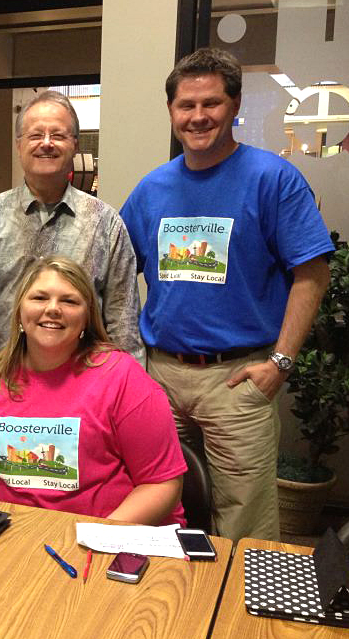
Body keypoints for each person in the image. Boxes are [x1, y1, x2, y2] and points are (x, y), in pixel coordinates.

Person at [119, 48, 333, 541]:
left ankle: (236, 595)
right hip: (160, 377)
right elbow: (116, 275)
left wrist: (280, 363)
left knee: (244, 525)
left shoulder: (273, 179)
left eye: (211, 103)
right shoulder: (152, 189)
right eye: (186, 105)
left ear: (234, 106)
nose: (198, 116)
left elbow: (313, 275)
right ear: (171, 111)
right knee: (161, 507)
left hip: (238, 378)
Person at [0, 257, 185, 526]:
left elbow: (161, 483)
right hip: (15, 536)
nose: (53, 309)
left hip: (109, 534)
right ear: (20, 311)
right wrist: (0, 529)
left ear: (86, 318)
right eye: (39, 298)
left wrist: (97, 535)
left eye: (69, 301)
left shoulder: (124, 378)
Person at [0, 90, 144, 389]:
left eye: (58, 135)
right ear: (19, 144)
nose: (47, 143)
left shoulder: (106, 224)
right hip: (3, 384)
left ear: (75, 144)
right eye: (36, 134)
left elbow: (123, 321)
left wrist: (127, 390)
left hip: (85, 388)